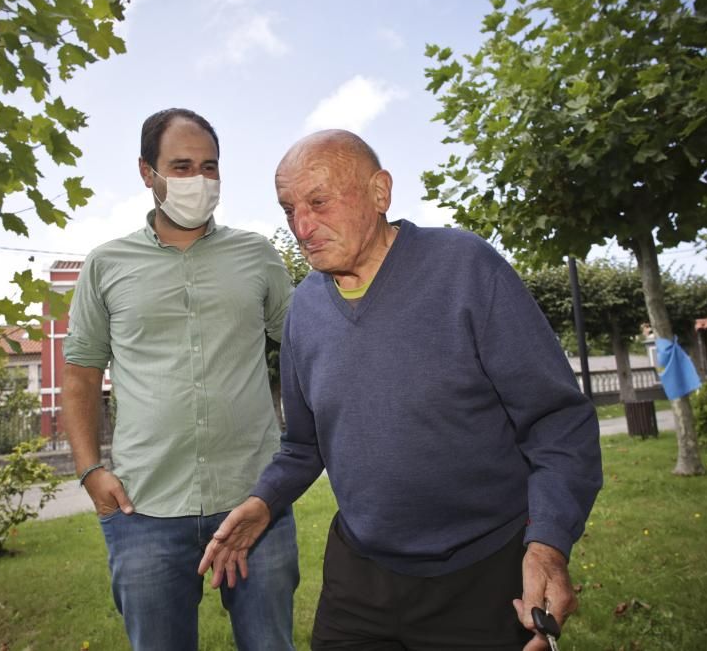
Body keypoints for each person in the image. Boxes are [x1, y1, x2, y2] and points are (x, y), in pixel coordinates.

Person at [199, 129, 602, 650]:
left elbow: (557, 422)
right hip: (361, 577)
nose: (302, 226)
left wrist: (547, 545)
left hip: (484, 572)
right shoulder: (304, 310)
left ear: (380, 192)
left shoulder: (464, 266)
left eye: (319, 202)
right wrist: (263, 502)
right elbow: (304, 443)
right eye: (288, 210)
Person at [62, 108, 299, 651]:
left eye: (210, 166)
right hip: (143, 510)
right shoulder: (105, 264)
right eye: (183, 165)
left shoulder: (257, 255)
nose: (199, 180)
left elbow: (306, 346)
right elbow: (79, 376)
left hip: (255, 500)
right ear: (148, 172)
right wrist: (89, 472)